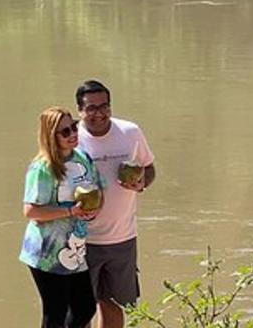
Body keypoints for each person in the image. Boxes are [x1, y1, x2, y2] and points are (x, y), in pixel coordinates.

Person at [76, 80, 157, 328]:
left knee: (112, 304)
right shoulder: (70, 138)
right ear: (80, 110)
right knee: (79, 309)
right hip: (79, 239)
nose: (98, 113)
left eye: (104, 106)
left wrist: (141, 182)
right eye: (91, 108)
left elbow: (149, 167)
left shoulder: (130, 132)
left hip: (122, 237)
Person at [21, 106, 104, 328]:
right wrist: (70, 211)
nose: (73, 134)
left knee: (85, 307)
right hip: (46, 251)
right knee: (55, 311)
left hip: (74, 249)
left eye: (74, 127)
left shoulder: (82, 157)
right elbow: (31, 211)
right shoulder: (43, 168)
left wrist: (95, 208)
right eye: (65, 132)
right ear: (50, 136)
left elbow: (98, 189)